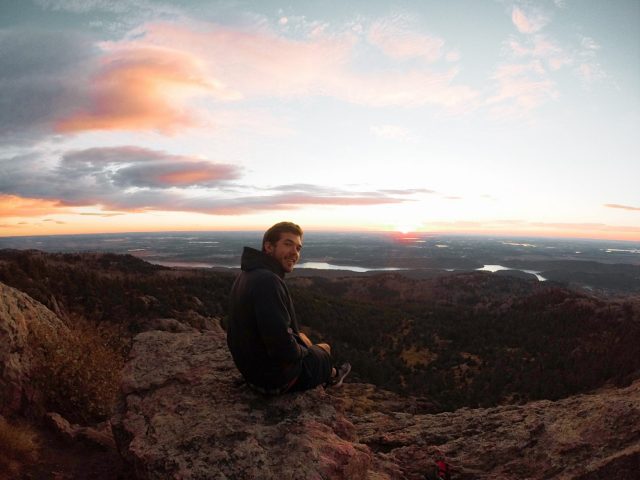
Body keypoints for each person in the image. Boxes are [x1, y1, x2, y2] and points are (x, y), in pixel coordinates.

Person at [227, 221, 351, 395]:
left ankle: (328, 370)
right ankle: (334, 376)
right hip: (274, 380)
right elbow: (282, 347)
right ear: (268, 247)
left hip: (252, 373)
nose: (294, 253)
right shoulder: (268, 282)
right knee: (324, 349)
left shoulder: (247, 274)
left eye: (298, 248)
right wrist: (305, 350)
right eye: (288, 244)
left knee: (304, 339)